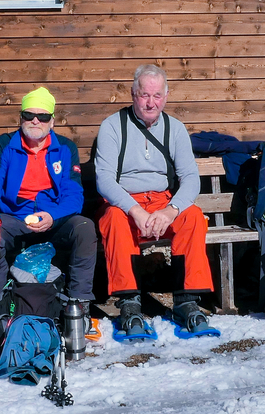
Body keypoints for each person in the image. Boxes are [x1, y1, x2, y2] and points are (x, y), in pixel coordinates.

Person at [94, 64, 215, 337]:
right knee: (113, 219)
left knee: (193, 217)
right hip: (125, 202)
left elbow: (191, 179)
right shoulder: (112, 126)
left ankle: (187, 300)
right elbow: (104, 180)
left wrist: (171, 211)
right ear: (133, 94)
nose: (151, 102)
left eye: (157, 95)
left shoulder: (175, 128)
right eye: (144, 95)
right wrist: (135, 211)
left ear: (166, 96)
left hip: (162, 201)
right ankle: (129, 302)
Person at [0, 87, 96, 311]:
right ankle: (1, 304)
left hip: (53, 217)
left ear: (52, 122)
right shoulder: (4, 144)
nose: (35, 121)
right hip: (14, 216)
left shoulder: (66, 148)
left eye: (42, 116)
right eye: (29, 115)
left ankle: (79, 305)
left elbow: (74, 195)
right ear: (20, 118)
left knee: (84, 227)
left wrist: (53, 215)